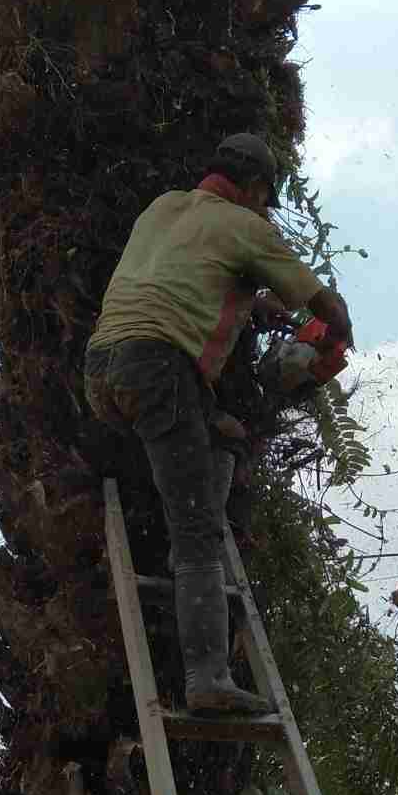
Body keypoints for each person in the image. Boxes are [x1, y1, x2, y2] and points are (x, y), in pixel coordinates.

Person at [84, 133, 353, 715]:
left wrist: (256, 306)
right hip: (159, 370)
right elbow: (324, 305)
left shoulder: (164, 207)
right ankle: (207, 676)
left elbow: (185, 275)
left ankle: (200, 501)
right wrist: (338, 336)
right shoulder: (248, 226)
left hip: (105, 368)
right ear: (256, 188)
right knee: (198, 530)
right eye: (264, 198)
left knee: (225, 434)